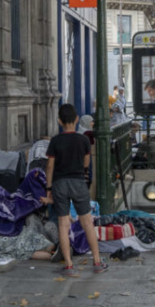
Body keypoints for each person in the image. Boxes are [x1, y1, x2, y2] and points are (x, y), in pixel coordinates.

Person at [44, 103, 106, 275]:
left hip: (60, 184)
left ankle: (69, 265)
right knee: (87, 223)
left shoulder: (55, 141)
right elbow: (86, 163)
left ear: (59, 121)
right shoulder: (84, 140)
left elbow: (50, 165)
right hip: (78, 182)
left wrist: (48, 187)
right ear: (77, 119)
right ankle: (97, 262)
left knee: (63, 225)